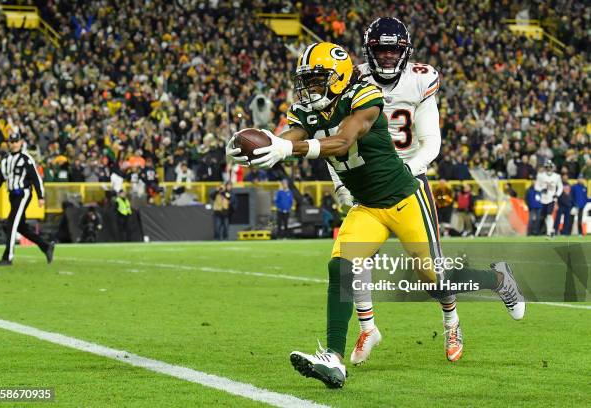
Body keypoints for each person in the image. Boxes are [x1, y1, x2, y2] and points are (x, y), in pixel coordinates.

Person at [226, 42, 525, 388]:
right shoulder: (310, 109)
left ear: (338, 78)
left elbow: (342, 140)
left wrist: (286, 148)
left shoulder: (364, 95)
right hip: (367, 206)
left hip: (403, 200)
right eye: (306, 80)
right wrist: (268, 143)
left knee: (436, 283)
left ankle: (499, 279)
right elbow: (293, 134)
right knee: (340, 265)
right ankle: (334, 360)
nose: (309, 88)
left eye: (317, 79)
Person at [331, 17, 459, 364]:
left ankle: (451, 321)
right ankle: (368, 327)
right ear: (368, 51)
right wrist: (341, 183)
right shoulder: (351, 78)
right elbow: (336, 138)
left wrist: (407, 170)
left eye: (394, 49)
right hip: (367, 182)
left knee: (430, 270)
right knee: (351, 260)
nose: (387, 56)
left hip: (407, 181)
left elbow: (431, 141)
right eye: (381, 49)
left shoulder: (420, 80)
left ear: (406, 52)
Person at [0, 132, 55, 265]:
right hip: (12, 195)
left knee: (11, 223)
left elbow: (36, 179)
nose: (14, 144)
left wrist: (41, 196)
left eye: (16, 141)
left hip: (23, 194)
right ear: (9, 143)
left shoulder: (26, 159)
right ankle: (46, 246)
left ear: (21, 142)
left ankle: (7, 258)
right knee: (20, 226)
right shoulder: (5, 160)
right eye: (11, 142)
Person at [535, 160, 563, 238]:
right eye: (547, 167)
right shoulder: (540, 175)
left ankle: (549, 232)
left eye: (550, 167)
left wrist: (557, 195)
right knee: (543, 216)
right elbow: (536, 186)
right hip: (543, 199)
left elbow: (560, 187)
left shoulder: (557, 176)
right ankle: (548, 231)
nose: (549, 169)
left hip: (551, 198)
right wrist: (541, 189)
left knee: (549, 215)